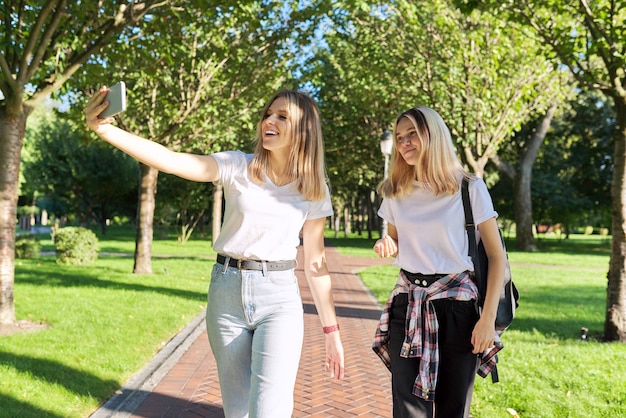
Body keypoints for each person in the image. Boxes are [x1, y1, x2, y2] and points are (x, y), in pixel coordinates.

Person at [84, 87, 345, 418]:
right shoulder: (238, 165)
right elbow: (173, 160)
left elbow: (317, 263)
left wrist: (331, 331)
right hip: (227, 292)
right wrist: (107, 130)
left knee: (270, 410)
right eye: (268, 113)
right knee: (237, 411)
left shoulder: (313, 186)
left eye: (282, 117)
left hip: (279, 297)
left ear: (304, 130)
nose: (270, 120)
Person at [372, 106, 506, 418]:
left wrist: (487, 320)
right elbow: (395, 240)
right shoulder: (396, 191)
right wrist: (387, 242)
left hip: (458, 310)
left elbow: (496, 255)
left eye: (412, 135)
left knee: (452, 409)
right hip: (408, 307)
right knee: (408, 411)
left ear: (433, 136)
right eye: (400, 137)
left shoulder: (469, 187)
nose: (404, 143)